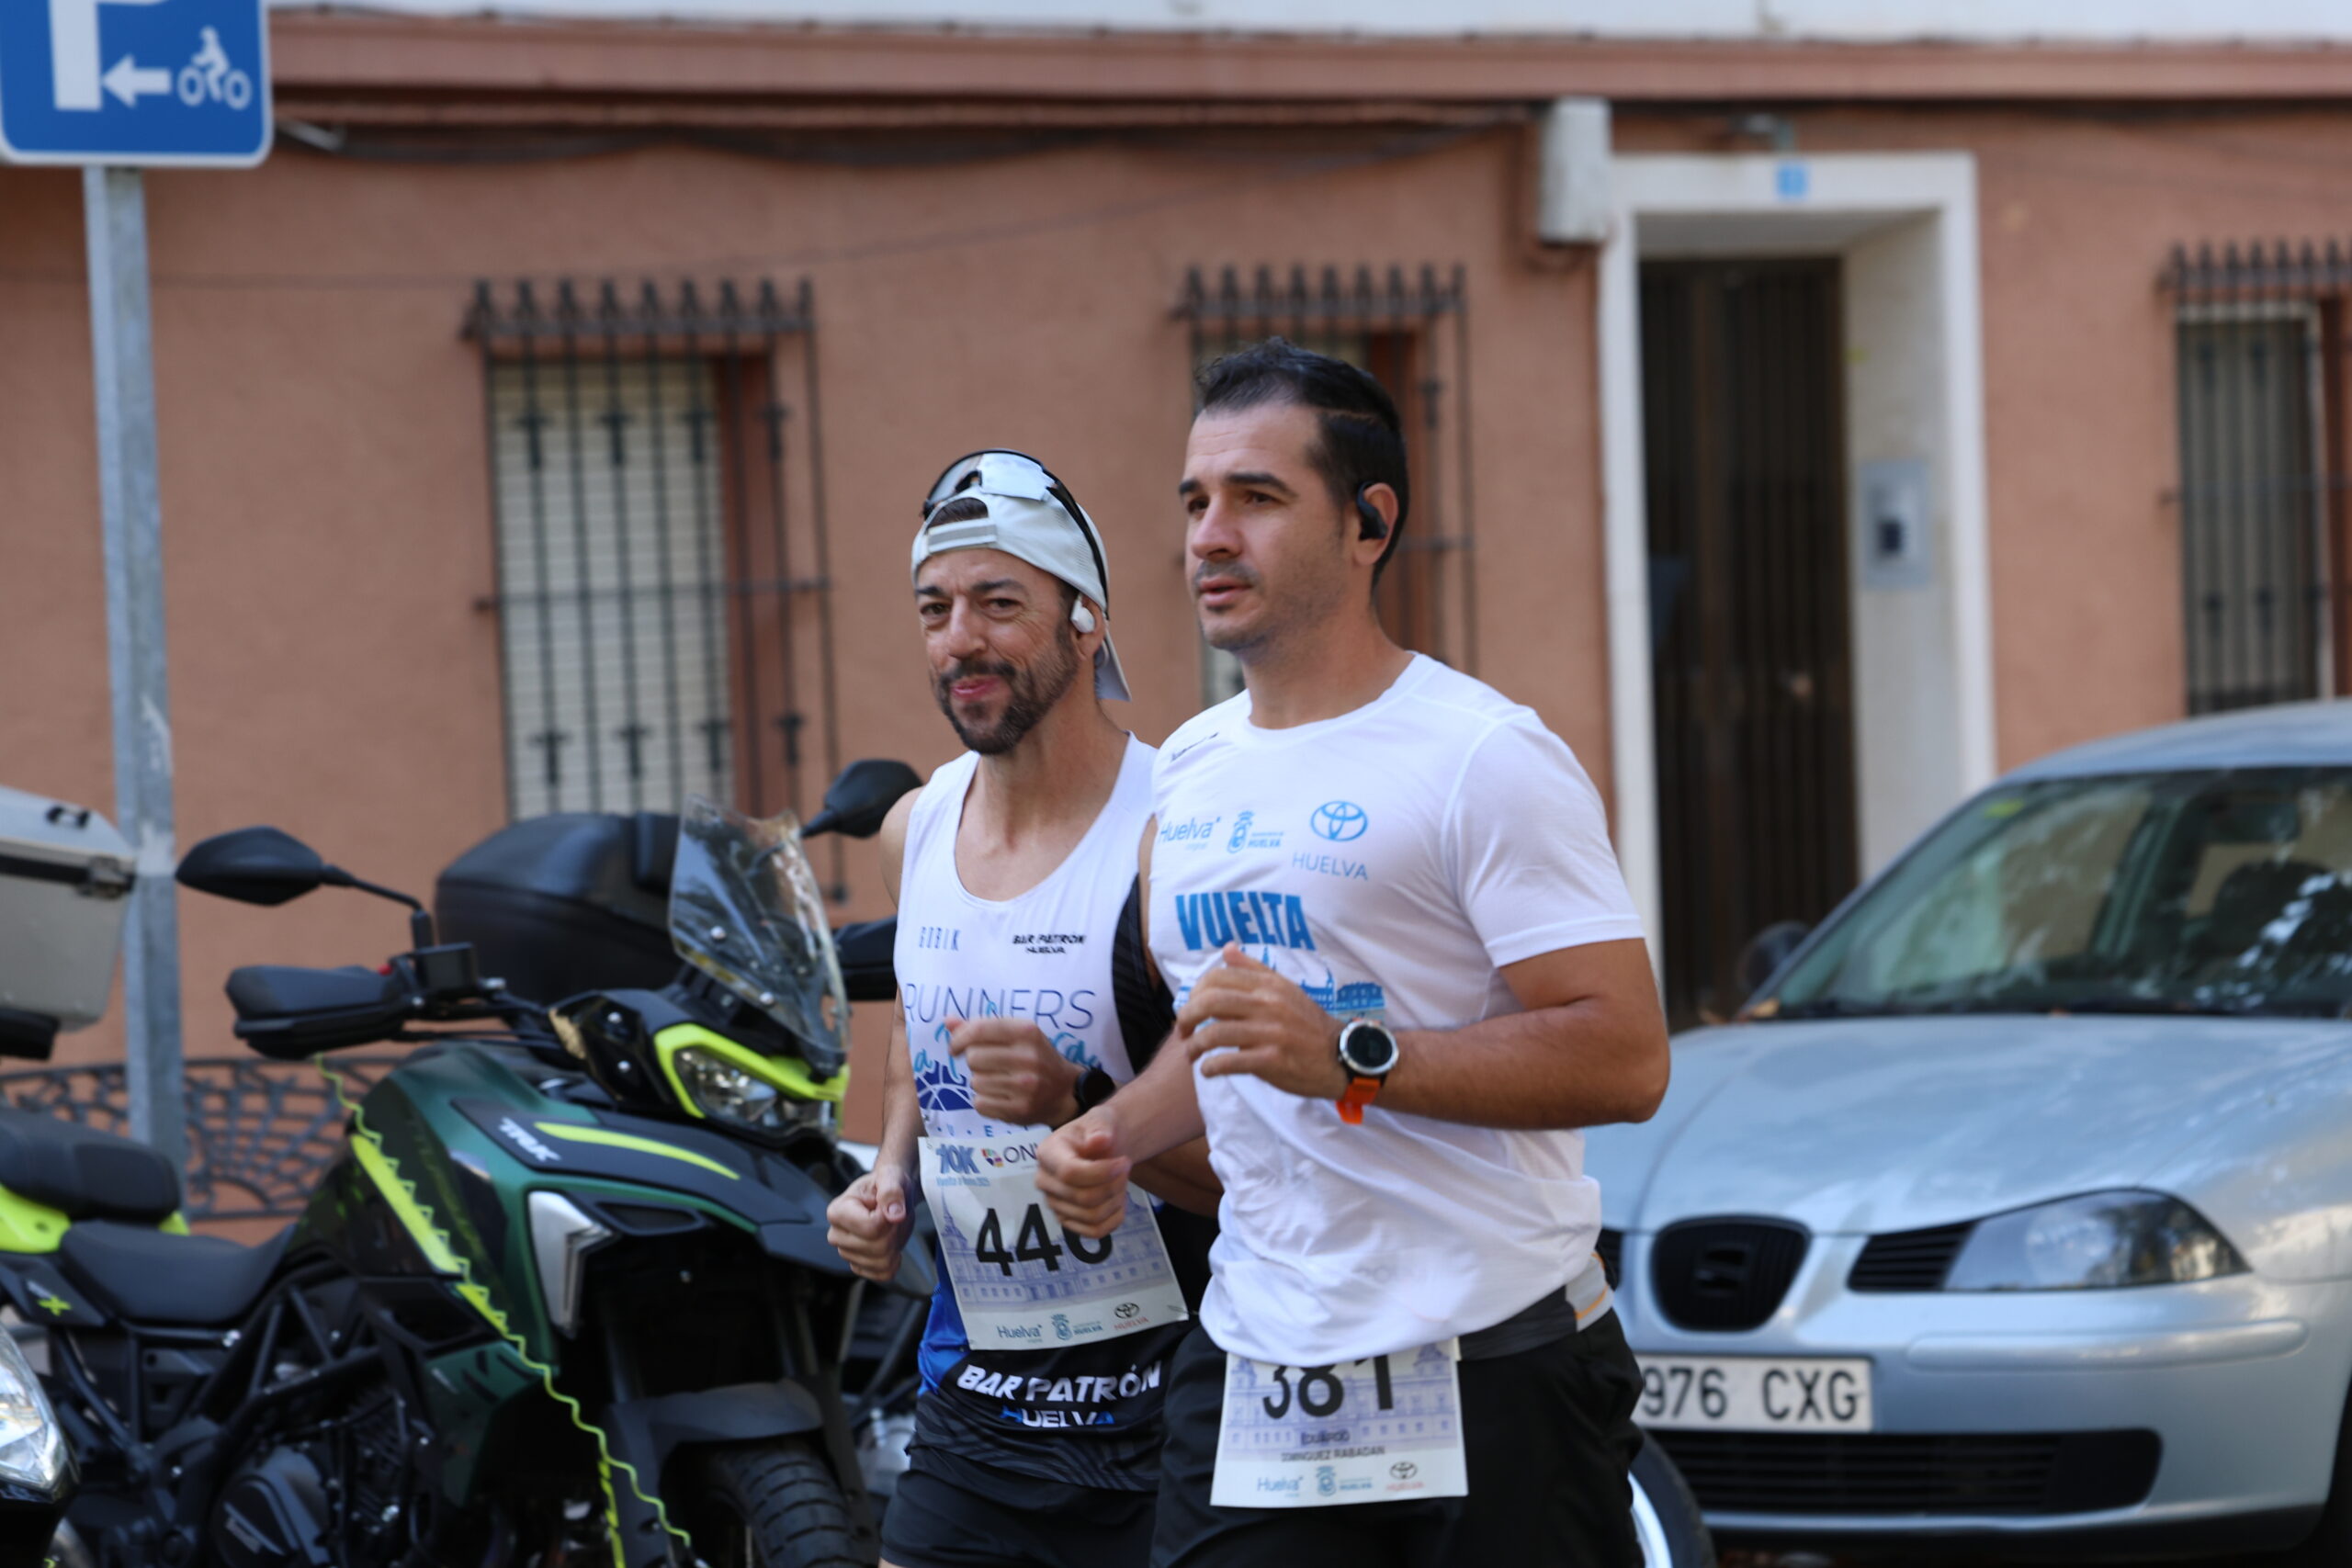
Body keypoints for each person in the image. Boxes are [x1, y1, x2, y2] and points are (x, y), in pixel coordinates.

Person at [1036, 341, 1672, 1566]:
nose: (1210, 536)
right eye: (1194, 501)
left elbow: (1625, 1053)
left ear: (1368, 522)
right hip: (1262, 1355)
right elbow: (1225, 1026)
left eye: (1257, 497)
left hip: (1490, 1358)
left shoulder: (1483, 754)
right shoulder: (1193, 765)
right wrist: (1113, 1130)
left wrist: (1351, 1056)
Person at [826, 450, 1220, 1568]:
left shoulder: (1173, 831)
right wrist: (890, 1175)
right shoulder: (915, 827)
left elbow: (1245, 1168)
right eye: (935, 608)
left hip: (1171, 1403)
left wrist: (1074, 1109)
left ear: (1086, 620)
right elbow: (921, 1027)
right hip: (979, 1396)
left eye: (999, 603)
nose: (961, 639)